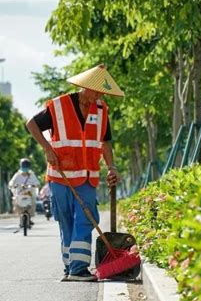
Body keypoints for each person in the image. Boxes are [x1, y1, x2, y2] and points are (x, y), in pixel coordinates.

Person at [26, 64, 122, 281]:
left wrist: (112, 167)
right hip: (60, 177)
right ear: (84, 87)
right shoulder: (59, 106)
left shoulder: (101, 110)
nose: (98, 96)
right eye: (96, 91)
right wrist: (47, 148)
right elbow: (31, 124)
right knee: (66, 221)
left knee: (88, 217)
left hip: (88, 178)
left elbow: (105, 143)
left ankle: (78, 268)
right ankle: (70, 267)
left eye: (102, 93)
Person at [8, 158, 40, 226]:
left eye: (26, 166)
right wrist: (12, 185)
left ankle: (30, 217)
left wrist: (35, 185)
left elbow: (37, 183)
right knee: (15, 202)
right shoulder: (17, 175)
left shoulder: (32, 175)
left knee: (33, 202)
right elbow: (11, 182)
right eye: (23, 166)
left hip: (29, 194)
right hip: (19, 194)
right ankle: (20, 216)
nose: (25, 168)